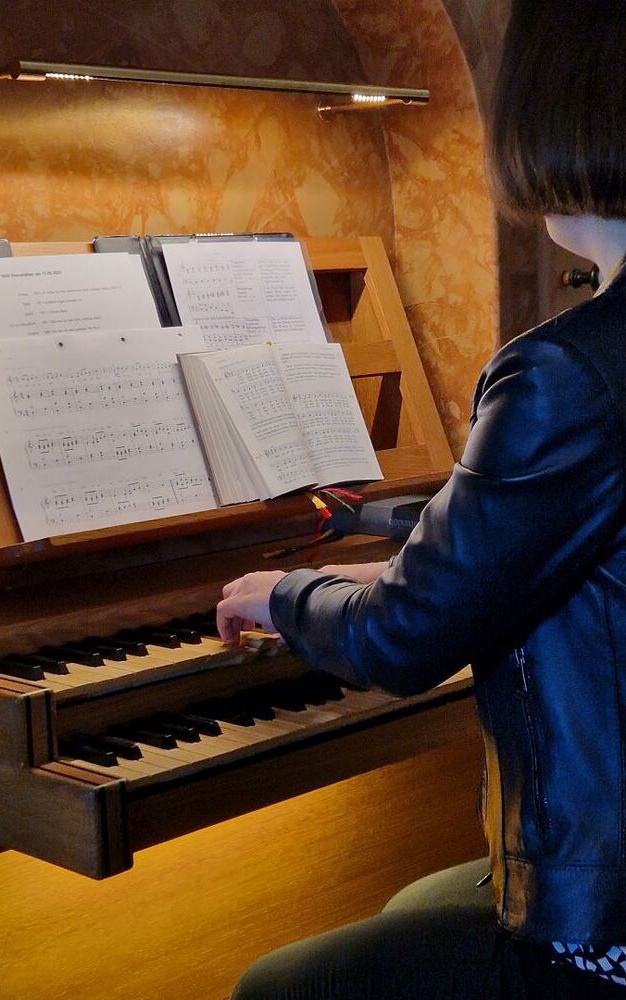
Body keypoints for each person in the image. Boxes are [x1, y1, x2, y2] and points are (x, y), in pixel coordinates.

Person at [216, 2, 626, 996]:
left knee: (277, 988)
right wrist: (412, 565)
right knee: (413, 907)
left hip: (605, 929)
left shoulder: (567, 373)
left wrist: (285, 593)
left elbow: (401, 639)